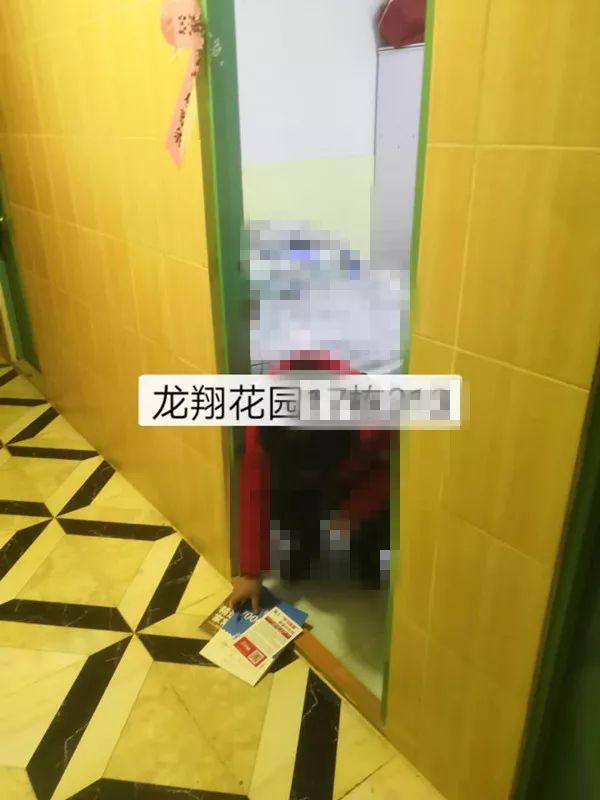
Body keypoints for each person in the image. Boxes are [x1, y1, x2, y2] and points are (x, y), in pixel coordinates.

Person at [228, 353, 390, 612]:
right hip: (305, 472)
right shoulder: (263, 418)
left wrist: (355, 511)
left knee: (379, 518)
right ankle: (305, 546)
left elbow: (391, 473)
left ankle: (367, 559)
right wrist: (251, 573)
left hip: (357, 471)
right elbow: (254, 491)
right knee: (287, 503)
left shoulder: (374, 417)